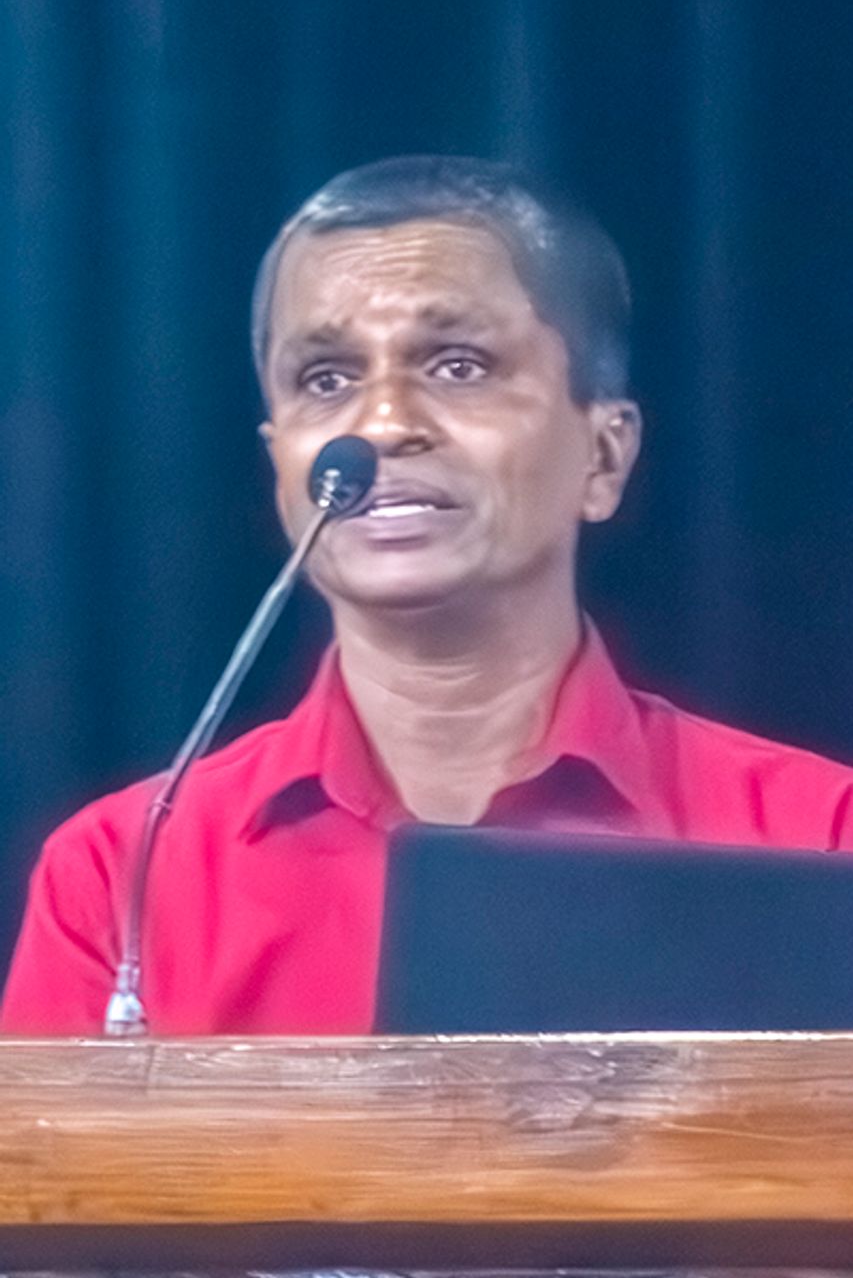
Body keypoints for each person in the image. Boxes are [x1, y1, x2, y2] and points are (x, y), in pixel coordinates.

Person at [3, 155, 853, 1036]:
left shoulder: (820, 837)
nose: (381, 425)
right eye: (326, 379)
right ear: (281, 466)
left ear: (602, 457)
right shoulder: (121, 876)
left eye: (457, 365)